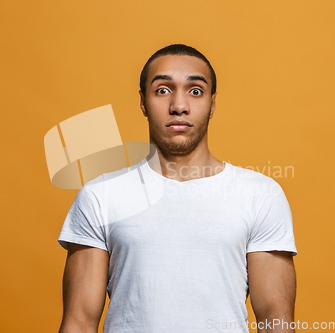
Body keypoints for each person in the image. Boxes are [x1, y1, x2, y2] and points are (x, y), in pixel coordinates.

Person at [57, 44, 297, 333]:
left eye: (195, 91)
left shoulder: (260, 195)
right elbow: (79, 322)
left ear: (212, 103)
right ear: (143, 102)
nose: (179, 105)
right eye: (162, 90)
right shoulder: (100, 196)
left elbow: (276, 321)